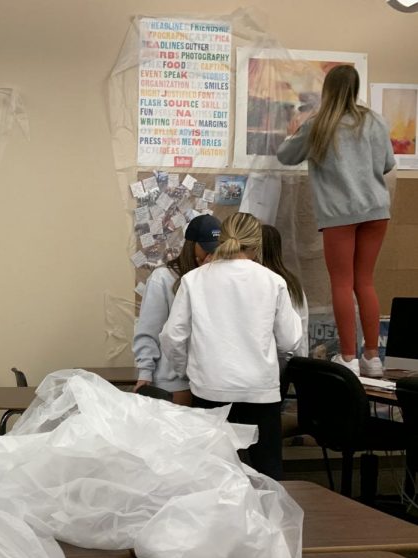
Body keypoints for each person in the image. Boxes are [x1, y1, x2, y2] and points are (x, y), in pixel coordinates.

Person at [159, 213, 302, 480]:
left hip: (210, 387)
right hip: (260, 390)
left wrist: (189, 370)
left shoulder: (195, 279)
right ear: (256, 245)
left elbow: (172, 337)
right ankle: (270, 521)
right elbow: (289, 340)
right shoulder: (273, 281)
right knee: (267, 473)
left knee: (213, 475)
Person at [277, 64, 395, 378]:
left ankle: (348, 358)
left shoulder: (319, 125)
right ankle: (372, 358)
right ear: (355, 89)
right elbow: (387, 164)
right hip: (376, 212)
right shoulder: (374, 121)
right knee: (365, 282)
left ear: (328, 90)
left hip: (340, 215)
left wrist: (294, 132)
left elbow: (285, 156)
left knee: (341, 284)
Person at [133, 214, 221, 405]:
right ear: (191, 245)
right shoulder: (163, 278)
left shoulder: (218, 277)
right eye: (206, 249)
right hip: (173, 381)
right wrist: (145, 371)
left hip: (209, 380)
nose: (211, 256)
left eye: (217, 250)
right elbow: (148, 330)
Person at [261, 224, 309, 365]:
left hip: (279, 363)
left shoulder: (272, 284)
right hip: (296, 363)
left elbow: (286, 341)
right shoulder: (293, 283)